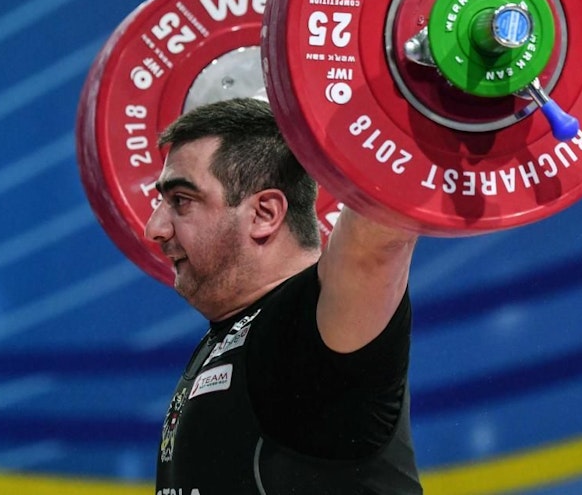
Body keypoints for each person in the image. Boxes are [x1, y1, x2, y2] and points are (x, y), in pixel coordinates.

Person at [145, 97, 422, 494]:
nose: (153, 228)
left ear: (265, 214)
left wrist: (415, 101)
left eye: (181, 201)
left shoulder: (310, 325)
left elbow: (374, 248)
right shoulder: (227, 335)